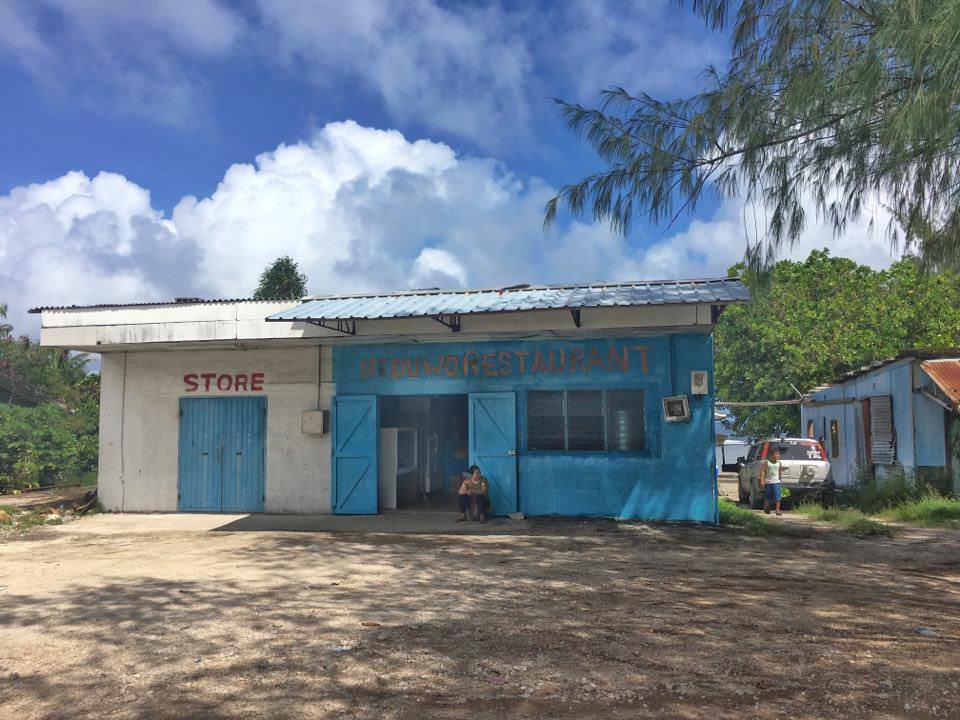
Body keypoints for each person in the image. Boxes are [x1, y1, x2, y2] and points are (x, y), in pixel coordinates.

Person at [759, 446, 784, 516]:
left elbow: (780, 473)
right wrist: (762, 480)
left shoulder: (779, 463)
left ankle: (777, 510)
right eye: (776, 454)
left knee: (777, 497)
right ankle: (767, 507)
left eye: (778, 454)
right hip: (768, 483)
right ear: (771, 455)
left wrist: (780, 481)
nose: (778, 456)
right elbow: (763, 471)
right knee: (767, 497)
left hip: (776, 482)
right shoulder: (767, 462)